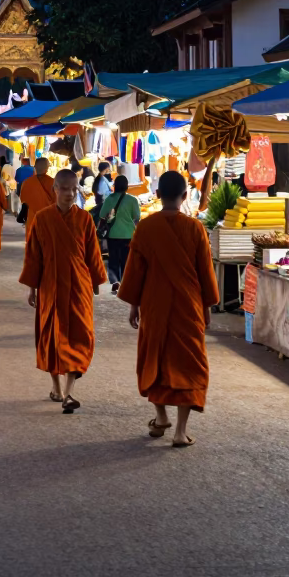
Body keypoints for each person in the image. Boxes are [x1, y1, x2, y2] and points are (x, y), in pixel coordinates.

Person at [118, 169, 219, 448]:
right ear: (185, 196)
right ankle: (180, 432)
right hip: (189, 305)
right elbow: (205, 272)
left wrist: (134, 306)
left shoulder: (146, 228)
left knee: (156, 359)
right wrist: (207, 307)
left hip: (154, 303)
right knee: (189, 364)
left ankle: (161, 417)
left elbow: (135, 271)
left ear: (158, 195)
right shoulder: (195, 228)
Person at [18, 167, 107, 412]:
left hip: (79, 285)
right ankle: (56, 386)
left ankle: (69, 393)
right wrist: (32, 288)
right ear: (54, 189)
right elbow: (34, 256)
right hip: (51, 284)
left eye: (73, 189)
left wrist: (97, 283)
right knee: (52, 336)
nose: (69, 194)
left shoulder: (85, 218)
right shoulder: (43, 218)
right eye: (64, 189)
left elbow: (93, 253)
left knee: (79, 334)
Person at [97, 174, 140, 292]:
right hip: (128, 234)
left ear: (115, 186)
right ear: (126, 186)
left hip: (113, 234)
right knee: (126, 259)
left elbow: (102, 215)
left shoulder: (109, 199)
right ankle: (126, 282)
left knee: (114, 259)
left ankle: (115, 282)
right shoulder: (132, 200)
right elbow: (137, 218)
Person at [19, 157, 55, 238]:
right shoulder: (53, 183)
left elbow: (23, 200)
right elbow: (57, 202)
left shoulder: (27, 183)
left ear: (35, 168)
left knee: (32, 244)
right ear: (47, 168)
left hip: (32, 219)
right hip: (48, 220)